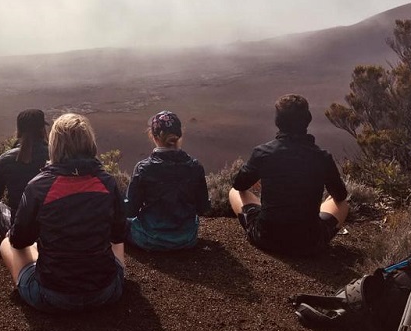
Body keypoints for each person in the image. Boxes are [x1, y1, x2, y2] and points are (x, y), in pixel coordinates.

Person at [0, 113, 127, 312]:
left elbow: (19, 240)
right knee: (116, 242)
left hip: (51, 296)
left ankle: (27, 284)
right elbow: (119, 234)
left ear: (55, 145)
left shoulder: (38, 186)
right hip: (106, 291)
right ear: (89, 142)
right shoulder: (107, 183)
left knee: (7, 243)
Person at [229, 94, 349, 256]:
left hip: (266, 238)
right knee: (341, 203)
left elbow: (239, 185)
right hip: (309, 242)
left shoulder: (263, 153)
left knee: (234, 192)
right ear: (308, 119)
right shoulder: (322, 157)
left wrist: (259, 176)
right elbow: (340, 196)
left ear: (278, 122)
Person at [125, 110, 211, 250]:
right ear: (179, 136)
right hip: (187, 238)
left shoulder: (143, 168)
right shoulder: (195, 166)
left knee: (122, 223)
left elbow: (131, 211)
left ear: (154, 137)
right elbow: (203, 208)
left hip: (149, 239)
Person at [0, 109, 50, 237]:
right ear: (42, 129)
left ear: (19, 131)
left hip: (22, 230)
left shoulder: (6, 159)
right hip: (52, 224)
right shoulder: (56, 155)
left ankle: (9, 237)